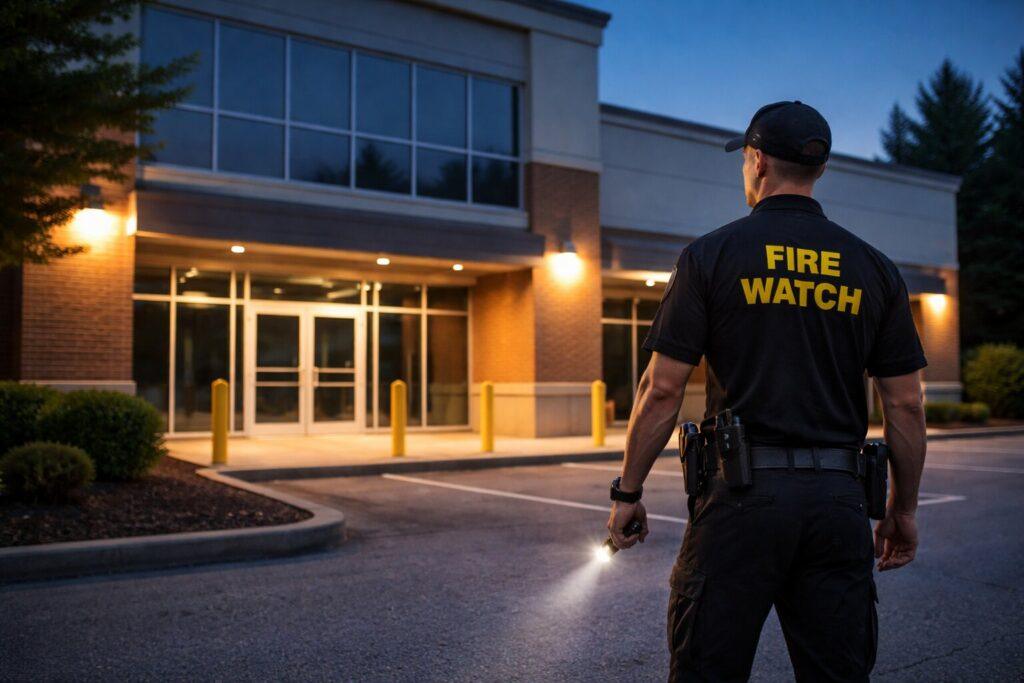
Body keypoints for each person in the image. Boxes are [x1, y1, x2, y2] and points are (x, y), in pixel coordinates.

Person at [605, 101, 928, 682]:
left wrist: (626, 490)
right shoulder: (874, 268)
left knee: (708, 669)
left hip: (739, 504)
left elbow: (661, 390)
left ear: (755, 162)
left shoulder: (712, 255)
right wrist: (902, 509)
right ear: (820, 170)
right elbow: (905, 403)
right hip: (837, 502)